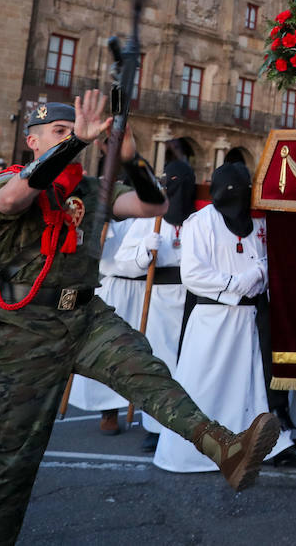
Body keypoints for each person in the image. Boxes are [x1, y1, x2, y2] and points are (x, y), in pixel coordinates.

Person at [0, 95, 280, 545]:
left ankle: (227, 449)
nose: (70, 138)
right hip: (27, 328)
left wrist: (131, 158)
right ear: (32, 141)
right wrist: (75, 144)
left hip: (84, 315)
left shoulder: (88, 192)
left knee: (150, 374)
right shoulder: (4, 183)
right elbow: (12, 200)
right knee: (17, 460)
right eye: (59, 133)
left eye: (72, 132)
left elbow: (153, 206)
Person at [153, 161, 295, 472]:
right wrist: (233, 284)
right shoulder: (200, 222)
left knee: (249, 385)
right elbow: (192, 274)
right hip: (213, 318)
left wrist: (259, 271)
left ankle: (260, 445)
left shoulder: (257, 221)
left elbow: (267, 257)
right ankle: (191, 450)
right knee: (205, 384)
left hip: (249, 319)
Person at [114, 158, 196, 451]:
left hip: (193, 299)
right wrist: (144, 253)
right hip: (159, 300)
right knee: (160, 364)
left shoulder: (201, 218)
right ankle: (157, 426)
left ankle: (190, 425)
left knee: (190, 364)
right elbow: (122, 261)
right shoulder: (149, 220)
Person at [66, 216, 141, 433]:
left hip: (146, 289)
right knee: (109, 349)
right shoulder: (103, 217)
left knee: (142, 354)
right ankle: (109, 411)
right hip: (114, 286)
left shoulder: (149, 217)